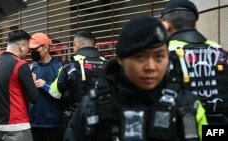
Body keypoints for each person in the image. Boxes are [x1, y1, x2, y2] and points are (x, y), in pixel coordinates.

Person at [63, 16, 208, 141]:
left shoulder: (188, 106)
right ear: (120, 59)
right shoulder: (92, 106)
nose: (151, 66)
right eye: (140, 56)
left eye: (159, 56)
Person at [161, 0, 228, 125]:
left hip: (183, 127)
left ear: (166, 26)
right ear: (195, 25)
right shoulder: (221, 52)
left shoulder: (163, 55)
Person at [0, 29, 39, 141]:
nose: (28, 52)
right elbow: (34, 98)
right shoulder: (21, 65)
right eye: (28, 48)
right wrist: (32, 82)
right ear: (22, 46)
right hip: (18, 127)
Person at [47, 30, 106, 128]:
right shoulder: (107, 64)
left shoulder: (70, 66)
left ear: (76, 45)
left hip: (77, 122)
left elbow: (54, 93)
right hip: (102, 120)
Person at [28, 32, 64, 141]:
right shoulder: (32, 67)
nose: (33, 53)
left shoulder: (59, 66)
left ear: (46, 48)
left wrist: (45, 86)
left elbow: (62, 93)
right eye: (31, 50)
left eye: (35, 50)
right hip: (34, 121)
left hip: (53, 123)